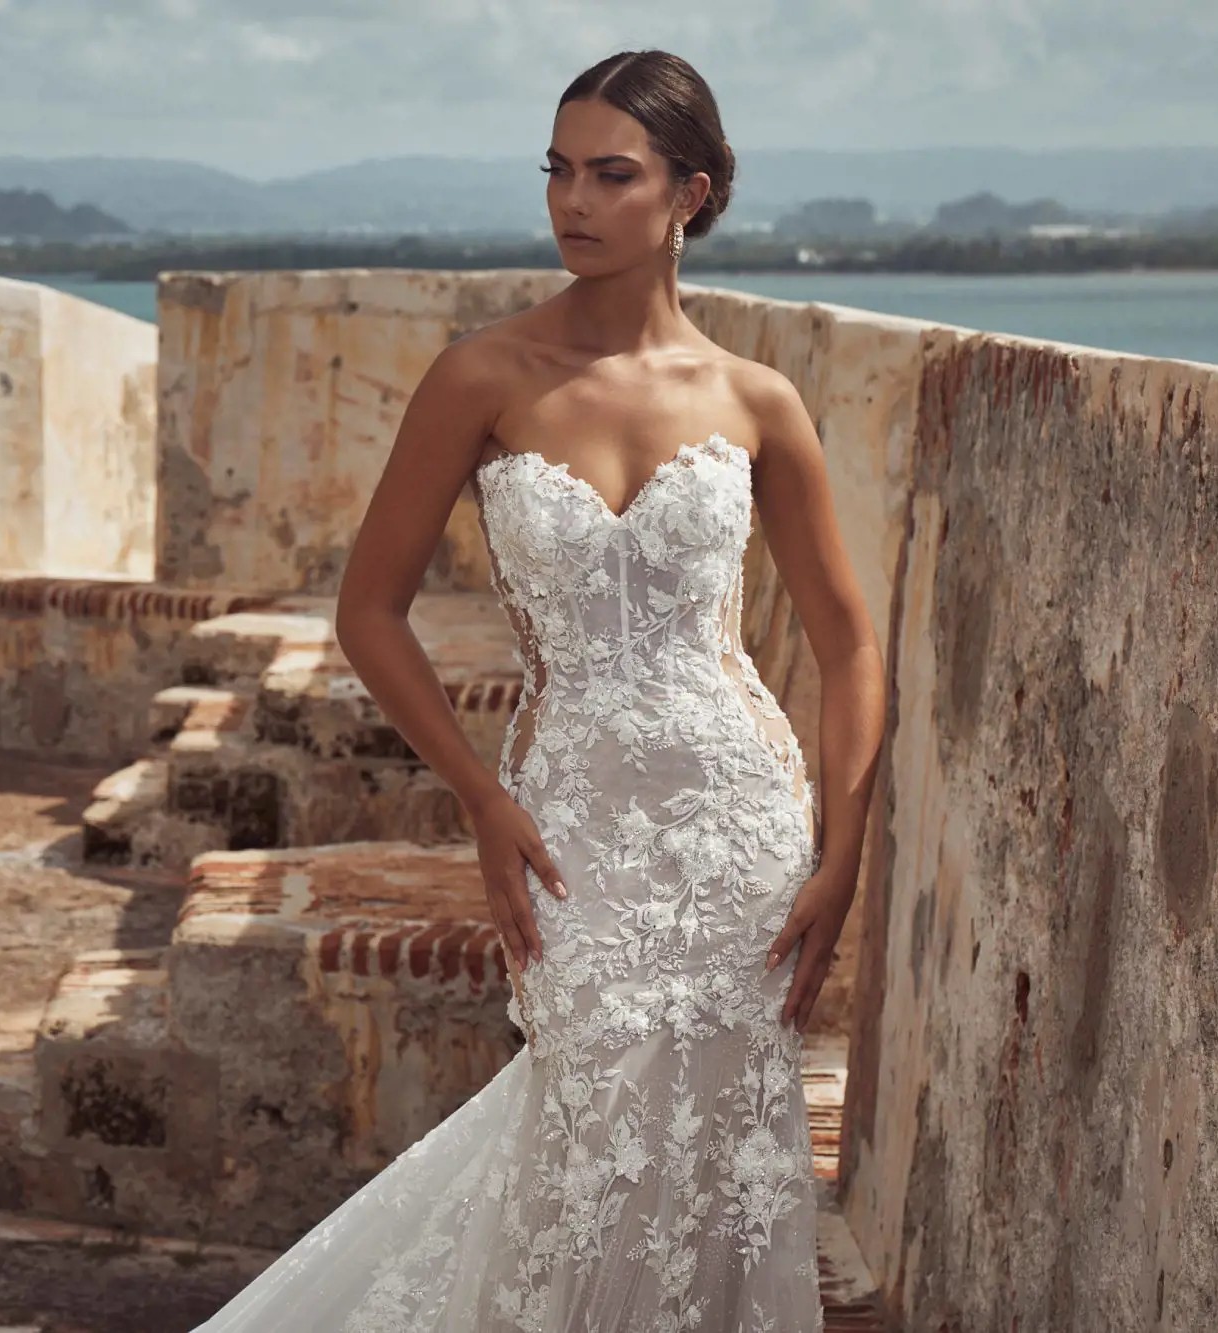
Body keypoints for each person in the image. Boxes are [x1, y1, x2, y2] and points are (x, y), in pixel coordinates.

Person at [191, 48, 886, 1333]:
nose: (573, 200)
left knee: (710, 1154)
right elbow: (369, 609)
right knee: (585, 1124)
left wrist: (840, 857)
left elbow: (850, 641)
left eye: (610, 174)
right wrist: (477, 797)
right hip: (568, 823)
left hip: (738, 823)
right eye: (558, 170)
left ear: (692, 190)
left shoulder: (754, 400)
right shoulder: (482, 376)